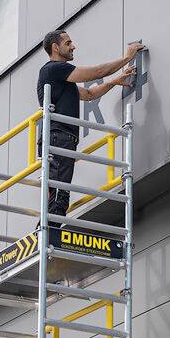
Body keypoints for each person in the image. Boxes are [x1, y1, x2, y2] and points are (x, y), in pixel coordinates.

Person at [37, 30, 142, 219]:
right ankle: (47, 234)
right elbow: (98, 72)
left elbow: (89, 95)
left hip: (60, 138)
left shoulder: (61, 79)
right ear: (55, 47)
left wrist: (113, 82)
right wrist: (128, 57)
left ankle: (48, 233)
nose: (73, 46)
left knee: (59, 194)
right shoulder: (53, 69)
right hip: (58, 138)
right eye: (68, 43)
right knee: (58, 197)